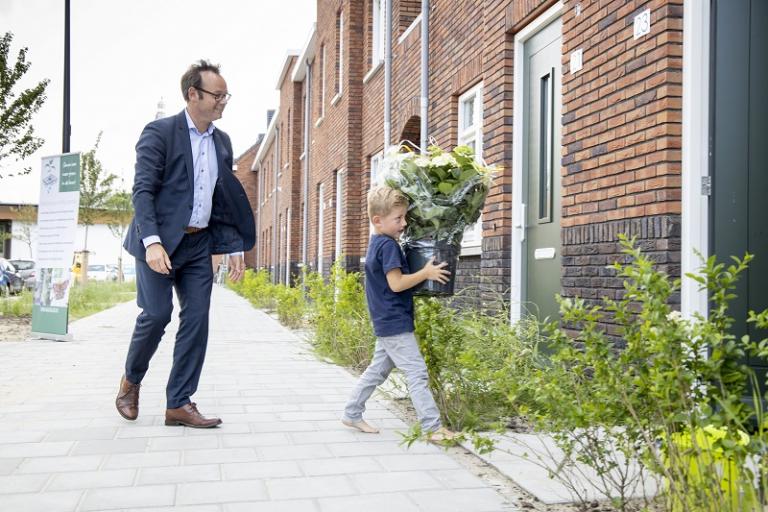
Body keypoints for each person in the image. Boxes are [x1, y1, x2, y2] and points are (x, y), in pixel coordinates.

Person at [117, 60, 255, 428]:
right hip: (159, 243)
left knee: (196, 319)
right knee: (157, 314)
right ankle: (131, 381)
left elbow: (223, 198)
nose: (224, 101)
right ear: (193, 94)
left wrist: (235, 247)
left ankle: (179, 402)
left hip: (198, 245)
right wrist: (152, 243)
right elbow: (143, 190)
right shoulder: (160, 133)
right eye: (218, 94)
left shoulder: (222, 142)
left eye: (227, 95)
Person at [341, 185, 455, 441]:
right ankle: (432, 427)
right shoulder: (388, 246)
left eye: (404, 217)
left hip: (386, 320)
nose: (404, 223)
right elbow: (396, 284)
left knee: (377, 371)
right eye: (399, 218)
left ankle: (352, 412)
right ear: (378, 220)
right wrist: (426, 274)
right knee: (417, 372)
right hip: (394, 322)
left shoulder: (377, 243)